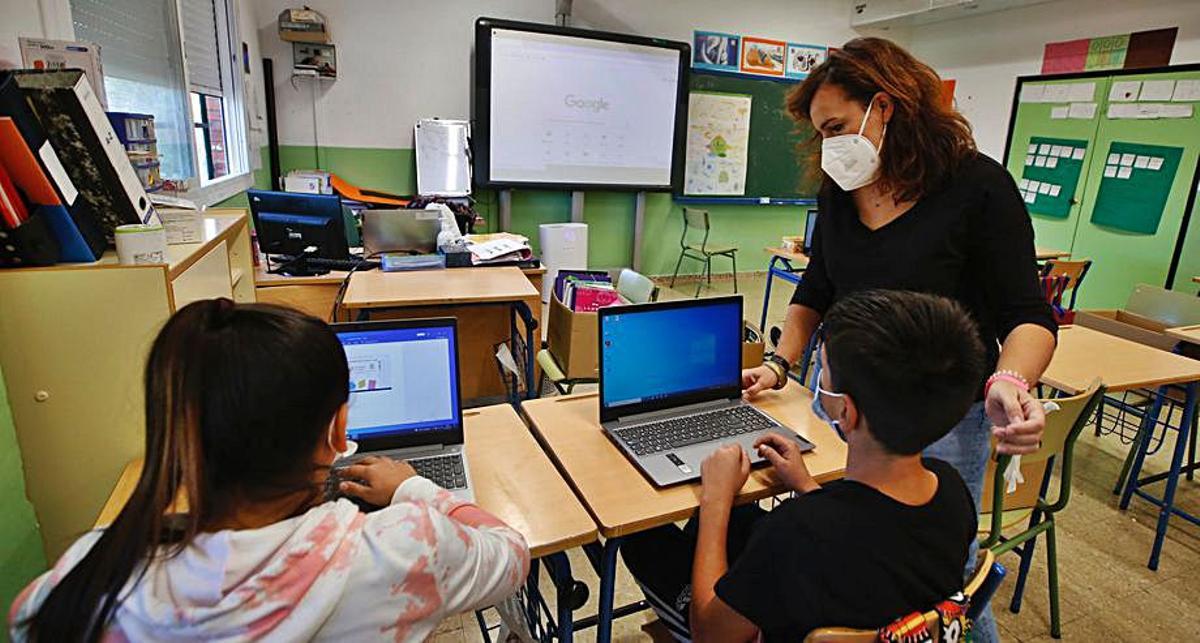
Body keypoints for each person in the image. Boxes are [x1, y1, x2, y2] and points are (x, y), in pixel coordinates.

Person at [741, 37, 1056, 641]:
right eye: (822, 134)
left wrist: (1012, 381)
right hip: (845, 403)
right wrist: (781, 364)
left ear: (884, 106)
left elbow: (1028, 314)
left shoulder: (978, 188)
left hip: (942, 419)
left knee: (944, 575)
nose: (831, 145)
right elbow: (817, 289)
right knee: (855, 539)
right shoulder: (842, 190)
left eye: (837, 126)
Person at [9, 300, 529, 642]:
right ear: (336, 432)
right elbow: (510, 553)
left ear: (183, 430)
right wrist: (413, 487)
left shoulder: (75, 588)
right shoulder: (400, 548)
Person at [622, 290, 984, 641]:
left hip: (719, 629)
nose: (817, 383)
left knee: (642, 540)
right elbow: (873, 545)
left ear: (846, 410)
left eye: (822, 372)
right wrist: (807, 486)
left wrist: (715, 498)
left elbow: (711, 633)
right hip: (878, 611)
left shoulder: (798, 532)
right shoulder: (952, 491)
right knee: (745, 520)